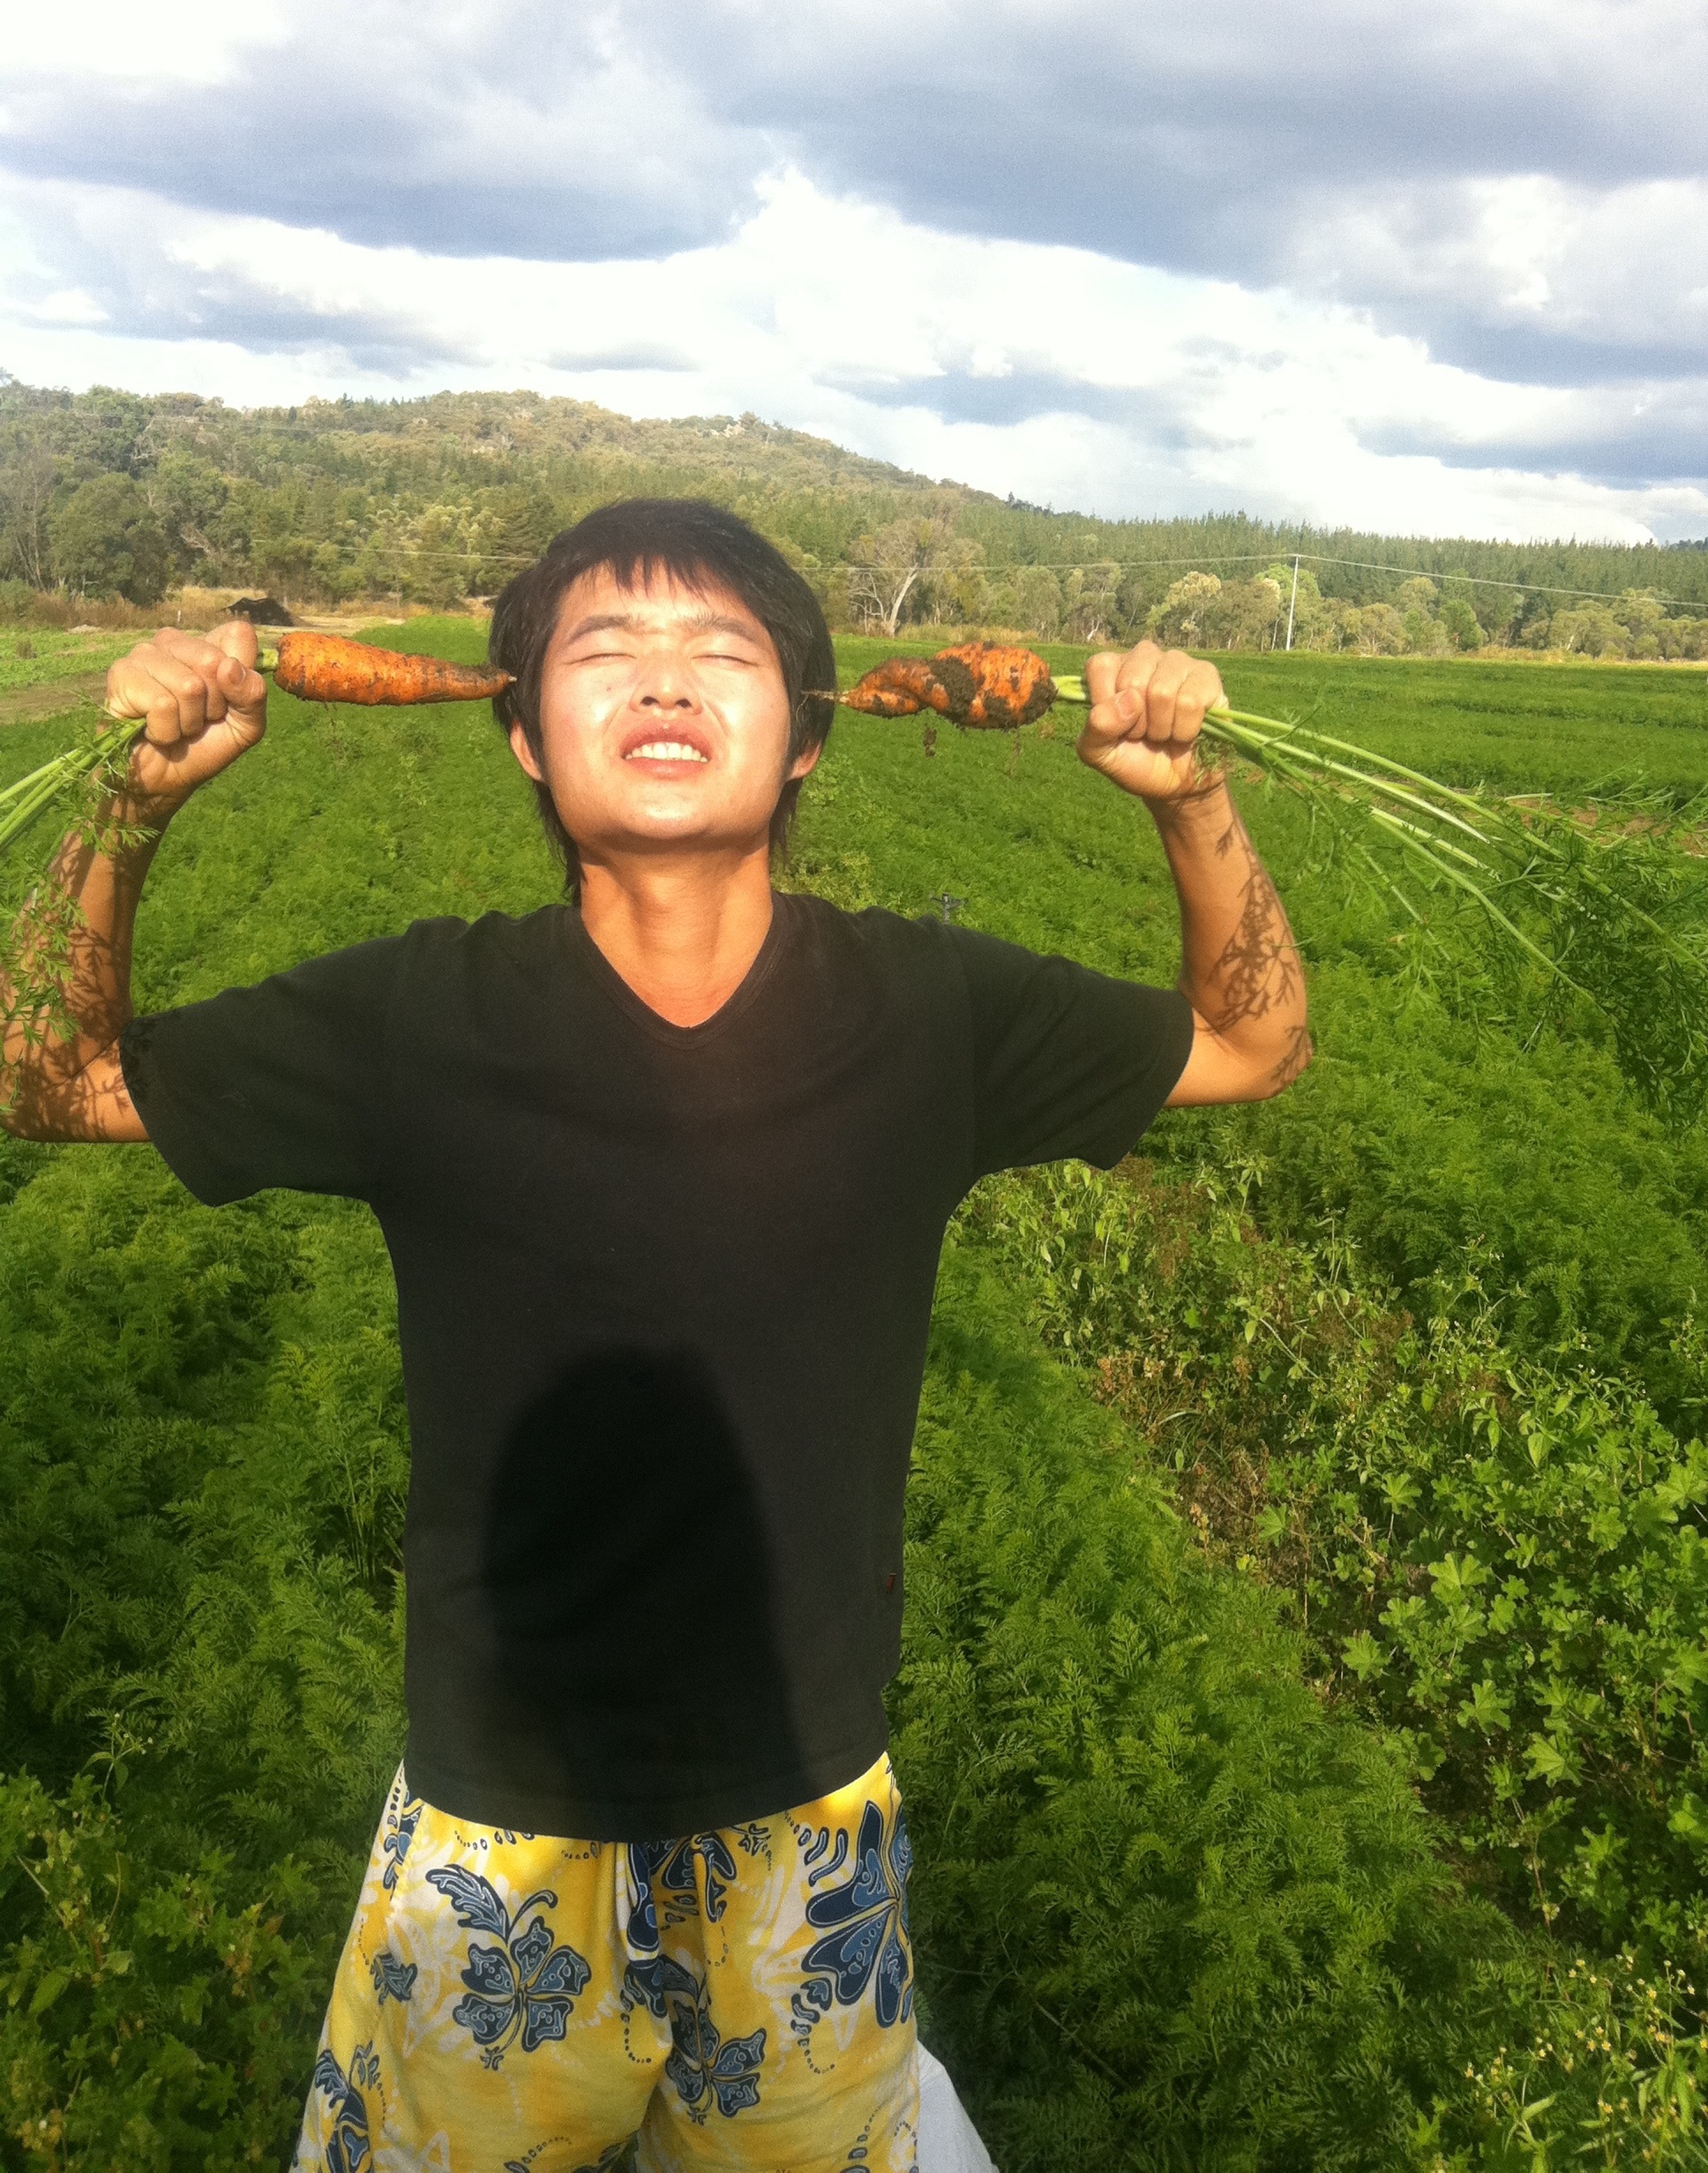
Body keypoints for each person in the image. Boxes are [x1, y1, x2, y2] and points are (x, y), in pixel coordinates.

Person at [1, 498, 1309, 2172]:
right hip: (495, 1830)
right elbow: (48, 1078)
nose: (666, 679)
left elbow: (1254, 1044)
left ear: (809, 733)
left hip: (805, 1821)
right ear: (526, 735)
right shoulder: (414, 1018)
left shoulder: (933, 1012)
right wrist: (127, 805)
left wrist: (1192, 796)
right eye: (605, 648)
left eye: (723, 649)